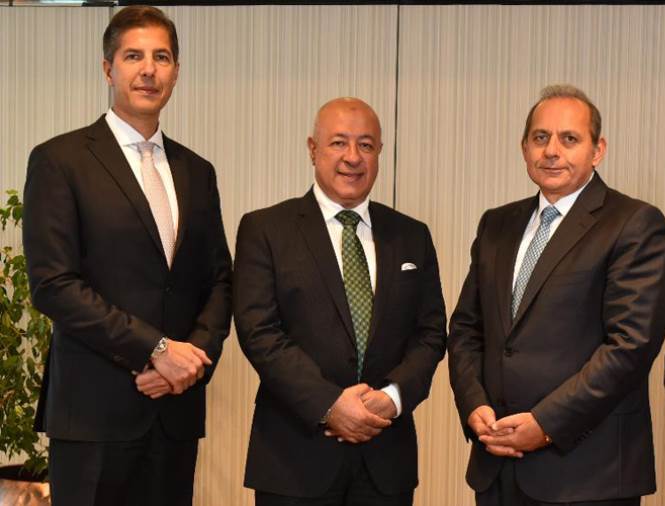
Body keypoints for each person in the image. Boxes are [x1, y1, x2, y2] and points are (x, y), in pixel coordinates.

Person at [22, 6, 232, 506]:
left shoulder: (197, 171)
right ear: (108, 68)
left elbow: (220, 281)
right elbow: (54, 285)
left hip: (175, 412)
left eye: (162, 57)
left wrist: (190, 362)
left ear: (176, 71)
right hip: (93, 413)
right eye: (133, 56)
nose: (148, 70)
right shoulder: (60, 160)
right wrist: (156, 349)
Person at [448, 84, 665, 506]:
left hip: (586, 474)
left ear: (597, 150)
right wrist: (473, 404)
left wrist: (546, 423)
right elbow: (467, 328)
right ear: (524, 148)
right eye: (541, 137)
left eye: (569, 139)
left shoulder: (634, 224)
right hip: (496, 463)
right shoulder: (496, 225)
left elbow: (630, 347)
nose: (552, 151)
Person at [233, 97, 447, 506]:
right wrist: (329, 404)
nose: (353, 157)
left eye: (366, 145)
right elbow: (259, 332)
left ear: (380, 153)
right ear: (313, 149)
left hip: (386, 457)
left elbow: (431, 333)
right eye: (338, 143)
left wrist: (393, 398)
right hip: (294, 458)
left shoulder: (411, 236)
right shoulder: (266, 229)